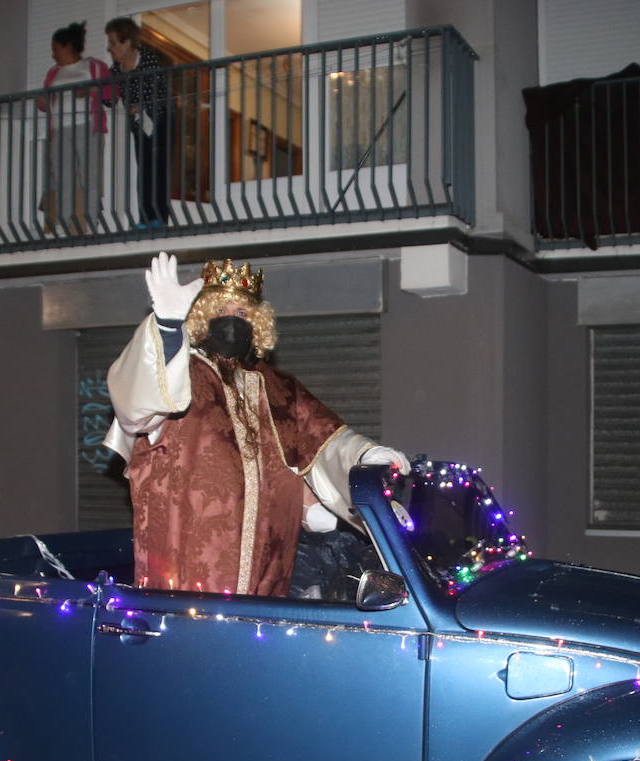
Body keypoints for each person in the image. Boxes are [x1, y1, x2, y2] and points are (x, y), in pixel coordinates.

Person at [104, 252, 407, 597]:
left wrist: (366, 456)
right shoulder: (181, 376)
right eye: (220, 311)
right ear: (201, 318)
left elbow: (327, 440)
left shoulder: (279, 390)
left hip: (269, 574)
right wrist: (167, 327)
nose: (231, 322)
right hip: (188, 573)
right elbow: (136, 405)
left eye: (242, 313)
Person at [40, 22, 112, 235]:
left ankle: (89, 223)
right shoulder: (53, 72)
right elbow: (46, 101)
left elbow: (110, 93)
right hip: (59, 129)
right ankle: (62, 223)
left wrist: (90, 91)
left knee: (89, 175)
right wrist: (41, 102)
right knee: (62, 176)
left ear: (68, 46)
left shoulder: (93, 66)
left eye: (55, 49)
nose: (53, 54)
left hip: (86, 125)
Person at [105, 16, 171, 227]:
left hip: (160, 121)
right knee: (144, 171)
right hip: (139, 125)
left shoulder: (148, 59)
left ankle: (158, 219)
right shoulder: (115, 70)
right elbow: (109, 100)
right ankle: (145, 219)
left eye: (114, 43)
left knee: (158, 170)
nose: (110, 48)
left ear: (127, 42)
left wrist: (144, 106)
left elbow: (158, 92)